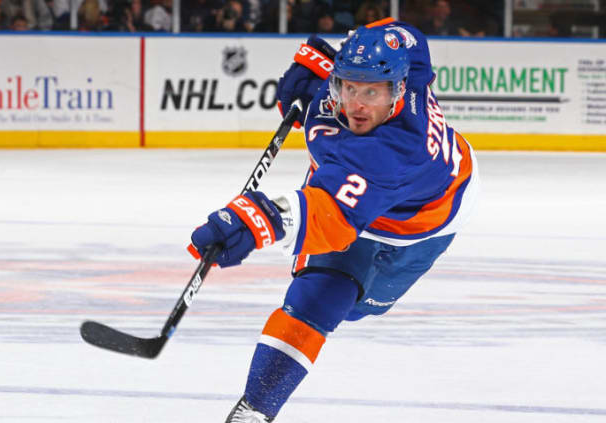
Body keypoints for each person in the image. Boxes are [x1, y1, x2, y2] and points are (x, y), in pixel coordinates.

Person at [188, 18, 479, 422]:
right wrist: (330, 56)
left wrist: (261, 219)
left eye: (372, 93)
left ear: (397, 91)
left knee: (362, 308)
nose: (358, 105)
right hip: (354, 194)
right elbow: (395, 30)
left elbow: (329, 215)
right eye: (349, 86)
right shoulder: (403, 52)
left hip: (419, 226)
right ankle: (253, 411)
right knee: (318, 299)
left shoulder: (394, 149)